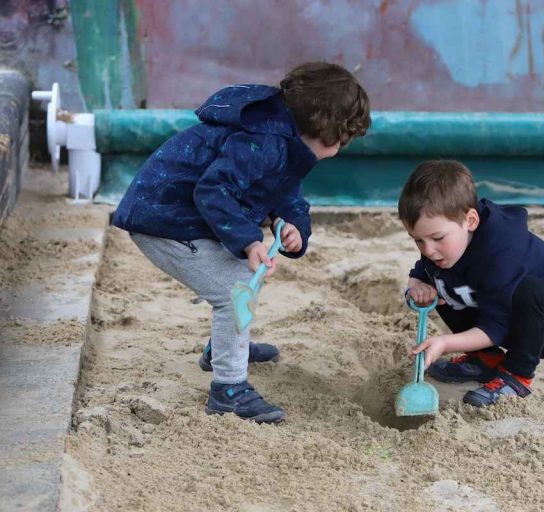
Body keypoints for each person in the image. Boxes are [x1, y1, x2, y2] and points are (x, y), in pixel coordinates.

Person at [112, 62, 371, 423]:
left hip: (184, 216)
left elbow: (284, 190)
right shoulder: (264, 140)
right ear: (331, 132)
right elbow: (213, 190)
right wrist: (250, 241)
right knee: (234, 287)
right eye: (344, 138)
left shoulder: (284, 138)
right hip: (162, 218)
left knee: (245, 278)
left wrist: (292, 223)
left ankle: (224, 348)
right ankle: (229, 391)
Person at [398, 160, 544, 407]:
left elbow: (496, 326)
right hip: (500, 313)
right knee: (442, 283)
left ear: (471, 220)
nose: (429, 250)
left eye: (437, 238)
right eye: (418, 241)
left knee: (530, 291)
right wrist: (417, 285)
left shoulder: (502, 252)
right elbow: (423, 267)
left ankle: (517, 376)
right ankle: (484, 360)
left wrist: (445, 343)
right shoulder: (445, 248)